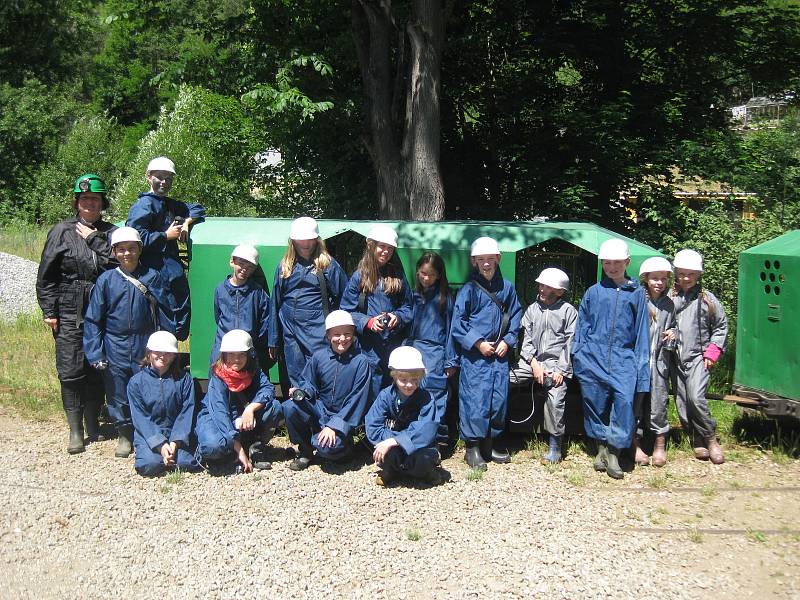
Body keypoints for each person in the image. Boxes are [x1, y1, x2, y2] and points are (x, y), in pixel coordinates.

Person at [36, 174, 117, 454]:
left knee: (98, 366)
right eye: (84, 199)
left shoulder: (110, 232)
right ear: (77, 203)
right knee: (71, 369)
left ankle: (93, 421)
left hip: (103, 306)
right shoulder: (61, 231)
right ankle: (75, 430)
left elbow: (122, 260)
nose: (89, 204)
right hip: (70, 307)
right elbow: (46, 275)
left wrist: (95, 239)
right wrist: (50, 310)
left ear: (102, 203)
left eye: (94, 199)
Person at [83, 226, 177, 458]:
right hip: (114, 343)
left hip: (145, 344)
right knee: (117, 392)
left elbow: (166, 311)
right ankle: (125, 434)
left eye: (131, 249)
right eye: (122, 249)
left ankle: (146, 433)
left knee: (148, 390)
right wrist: (96, 354)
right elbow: (93, 319)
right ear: (114, 251)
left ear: (139, 249)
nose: (127, 254)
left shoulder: (152, 277)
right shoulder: (106, 280)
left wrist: (167, 346)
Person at [572, 238, 650, 480]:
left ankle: (615, 451)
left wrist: (641, 367)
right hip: (592, 357)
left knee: (624, 404)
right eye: (607, 263)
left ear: (627, 262)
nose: (612, 267)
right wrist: (579, 356)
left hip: (623, 358)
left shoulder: (637, 294)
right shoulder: (593, 292)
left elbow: (642, 334)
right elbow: (582, 328)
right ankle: (602, 450)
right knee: (595, 403)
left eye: (617, 263)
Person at [450, 237, 523, 470]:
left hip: (498, 357)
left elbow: (517, 316)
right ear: (474, 262)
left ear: (498, 259)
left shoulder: (508, 288)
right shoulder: (468, 290)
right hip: (475, 358)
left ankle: (489, 445)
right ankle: (472, 448)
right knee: (475, 401)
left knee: (497, 401)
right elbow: (458, 323)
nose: (486, 264)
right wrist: (478, 343)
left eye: (490, 259)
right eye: (481, 260)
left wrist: (509, 341)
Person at [126, 156, 206, 341]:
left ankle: (173, 362)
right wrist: (165, 236)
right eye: (159, 177)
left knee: (179, 317)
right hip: (153, 273)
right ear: (148, 177)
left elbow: (198, 209)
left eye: (169, 178)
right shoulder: (144, 206)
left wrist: (187, 221)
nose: (164, 182)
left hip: (172, 270)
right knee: (161, 321)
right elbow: (134, 240)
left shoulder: (169, 204)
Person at [283, 310, 371, 471]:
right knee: (290, 407)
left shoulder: (361, 362)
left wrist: (334, 426)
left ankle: (345, 448)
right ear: (328, 335)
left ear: (353, 333)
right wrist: (301, 391)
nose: (342, 339)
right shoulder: (319, 357)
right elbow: (309, 383)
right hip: (321, 410)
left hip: (342, 417)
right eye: (336, 334)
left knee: (328, 448)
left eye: (347, 334)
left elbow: (357, 399)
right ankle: (306, 451)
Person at [268, 217, 348, 386]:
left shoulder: (328, 266)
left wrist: (341, 332)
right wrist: (273, 339)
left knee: (320, 374)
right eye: (301, 240)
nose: (305, 244)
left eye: (309, 240)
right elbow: (275, 303)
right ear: (293, 241)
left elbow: (345, 299)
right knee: (294, 379)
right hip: (290, 333)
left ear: (316, 240)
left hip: (318, 331)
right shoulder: (284, 266)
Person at [509, 267, 577, 464]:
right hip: (532, 362)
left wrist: (560, 370)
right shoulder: (532, 309)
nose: (541, 289)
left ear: (559, 291)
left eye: (546, 286)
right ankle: (499, 430)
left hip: (556, 365)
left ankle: (555, 445)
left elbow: (570, 343)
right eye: (540, 285)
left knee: (556, 398)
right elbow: (526, 340)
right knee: (504, 379)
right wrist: (534, 364)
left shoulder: (568, 312)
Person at [340, 224, 413, 403]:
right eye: (382, 246)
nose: (385, 252)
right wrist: (368, 322)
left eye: (390, 248)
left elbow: (409, 307)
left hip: (393, 344)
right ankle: (369, 426)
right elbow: (346, 311)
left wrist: (398, 317)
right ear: (371, 245)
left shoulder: (398, 276)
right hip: (369, 347)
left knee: (394, 388)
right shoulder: (359, 277)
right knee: (370, 389)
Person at [669, 249, 728, 464]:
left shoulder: (707, 300)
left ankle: (711, 438)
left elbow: (721, 327)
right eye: (682, 273)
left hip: (699, 357)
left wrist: (712, 352)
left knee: (695, 396)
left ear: (698, 275)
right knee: (682, 400)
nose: (685, 278)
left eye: (690, 274)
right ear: (676, 272)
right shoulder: (669, 296)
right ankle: (696, 438)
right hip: (674, 357)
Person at [196, 330, 282, 472]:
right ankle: (231, 453)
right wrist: (238, 448)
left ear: (249, 355)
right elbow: (220, 413)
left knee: (275, 407)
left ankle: (255, 448)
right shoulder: (217, 376)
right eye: (231, 354)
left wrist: (250, 409)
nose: (236, 359)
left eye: (241, 354)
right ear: (223, 355)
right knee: (212, 446)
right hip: (216, 419)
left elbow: (268, 389)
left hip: (241, 417)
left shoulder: (254, 370)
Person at [365, 346, 443, 486]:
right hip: (392, 446)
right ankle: (392, 470)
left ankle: (427, 471)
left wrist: (396, 440)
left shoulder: (426, 398)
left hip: (419, 447)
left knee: (424, 457)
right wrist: (390, 442)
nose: (409, 385)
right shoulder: (385, 396)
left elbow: (427, 429)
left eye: (415, 380)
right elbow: (373, 425)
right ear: (394, 377)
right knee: (387, 453)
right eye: (403, 380)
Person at [128, 331, 201, 476]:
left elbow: (186, 411)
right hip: (150, 433)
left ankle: (171, 454)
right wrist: (160, 445)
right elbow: (141, 418)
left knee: (188, 463)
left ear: (174, 356)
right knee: (149, 465)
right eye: (158, 351)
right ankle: (155, 454)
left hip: (177, 432)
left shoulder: (184, 380)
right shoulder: (136, 383)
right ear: (149, 352)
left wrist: (175, 442)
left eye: (168, 352)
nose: (162, 356)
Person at [408, 252, 458, 451]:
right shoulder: (413, 295)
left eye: (430, 274)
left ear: (439, 275)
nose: (425, 278)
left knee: (435, 396)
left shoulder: (445, 298)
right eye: (422, 273)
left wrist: (450, 360)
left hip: (436, 353)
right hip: (413, 351)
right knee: (412, 393)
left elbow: (452, 331)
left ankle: (438, 440)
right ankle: (416, 436)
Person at [634, 257, 677, 468]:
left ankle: (660, 445)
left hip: (660, 362)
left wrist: (674, 332)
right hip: (638, 361)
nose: (659, 283)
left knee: (659, 403)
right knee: (636, 404)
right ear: (646, 279)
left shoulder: (670, 304)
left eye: (663, 279)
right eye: (654, 279)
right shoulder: (638, 300)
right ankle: (636, 444)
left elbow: (677, 326)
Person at [212, 244, 270, 369]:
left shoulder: (257, 292)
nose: (245, 269)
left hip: (248, 349)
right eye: (242, 264)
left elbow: (264, 323)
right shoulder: (220, 289)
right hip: (224, 348)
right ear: (232, 261)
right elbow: (218, 317)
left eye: (250, 267)